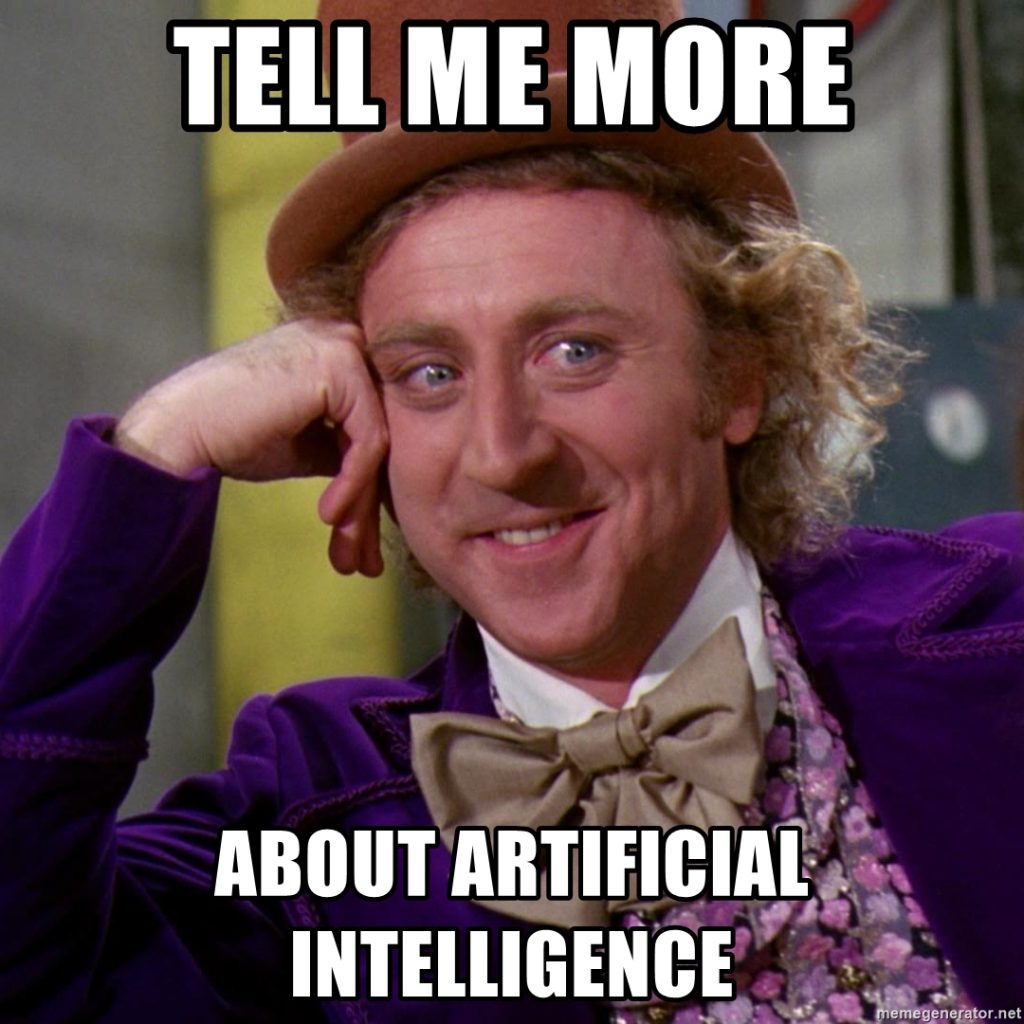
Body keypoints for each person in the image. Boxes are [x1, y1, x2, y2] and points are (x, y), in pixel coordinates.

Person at [2, 1, 1023, 1021]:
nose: (503, 451)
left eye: (574, 352)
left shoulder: (1000, 639)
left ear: (737, 374)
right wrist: (156, 451)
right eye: (430, 372)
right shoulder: (305, 818)